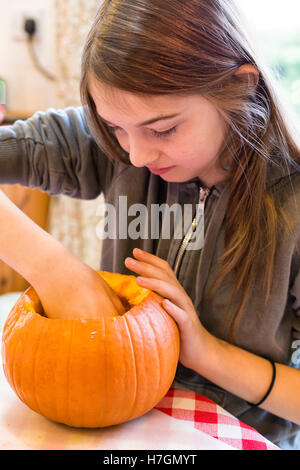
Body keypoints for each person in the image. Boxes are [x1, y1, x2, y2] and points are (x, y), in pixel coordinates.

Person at [0, 0, 300, 449]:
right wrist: (50, 265)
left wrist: (204, 351)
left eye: (162, 131)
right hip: (123, 425)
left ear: (239, 87)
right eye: (114, 127)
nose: (136, 155)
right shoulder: (118, 144)